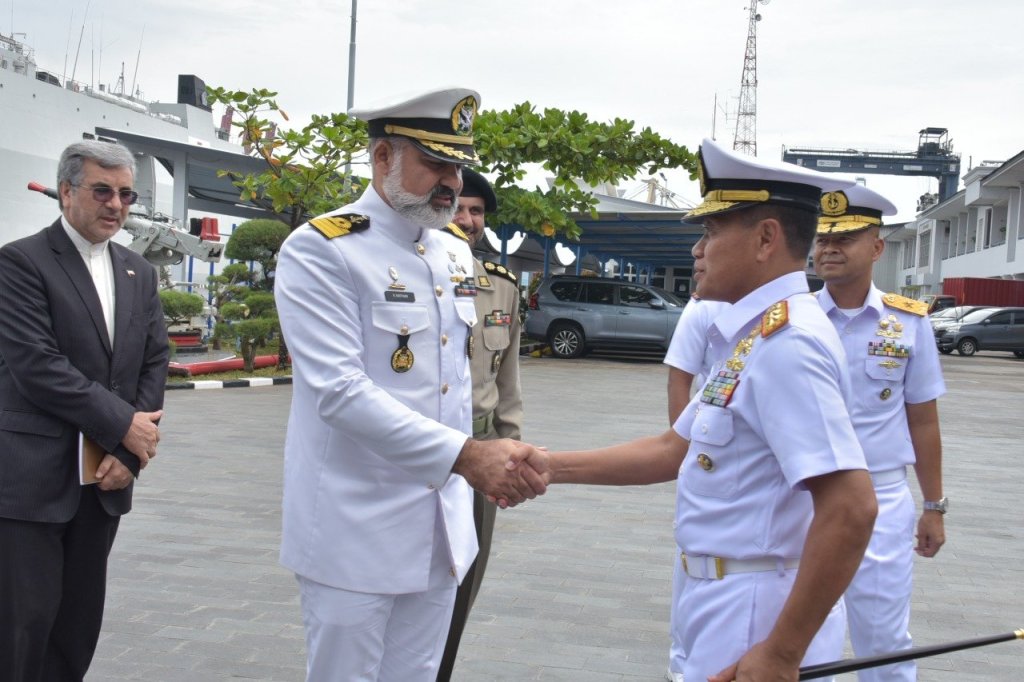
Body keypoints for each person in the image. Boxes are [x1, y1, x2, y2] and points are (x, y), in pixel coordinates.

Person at [512, 137, 878, 681]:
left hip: (754, 610)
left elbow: (851, 507)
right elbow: (673, 449)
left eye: (710, 232)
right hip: (718, 595)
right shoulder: (753, 336)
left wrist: (782, 652)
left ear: (766, 238)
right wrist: (549, 466)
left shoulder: (789, 345)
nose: (696, 251)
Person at [273, 87, 546, 682]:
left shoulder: (453, 254)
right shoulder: (322, 250)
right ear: (382, 158)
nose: (451, 182)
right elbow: (339, 392)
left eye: (458, 167)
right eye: (435, 164)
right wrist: (467, 456)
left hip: (439, 529)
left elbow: (454, 381)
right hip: (355, 529)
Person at [0, 140, 168, 681]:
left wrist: (128, 451)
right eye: (102, 191)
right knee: (22, 629)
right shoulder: (20, 262)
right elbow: (38, 366)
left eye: (126, 194)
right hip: (31, 481)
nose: (116, 205)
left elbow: (154, 361)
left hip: (103, 481)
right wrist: (124, 427)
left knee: (77, 628)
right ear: (66, 192)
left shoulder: (139, 271)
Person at [814, 184, 947, 681]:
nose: (829, 249)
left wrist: (933, 506)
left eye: (844, 238)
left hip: (882, 495)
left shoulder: (908, 322)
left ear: (876, 247)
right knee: (806, 641)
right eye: (823, 239)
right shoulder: (791, 319)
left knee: (884, 641)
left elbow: (923, 419)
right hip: (806, 496)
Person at [437, 169, 524, 680]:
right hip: (423, 452)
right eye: (458, 208)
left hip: (483, 446)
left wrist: (511, 449)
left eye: (476, 211)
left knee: (465, 576)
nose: (467, 220)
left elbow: (507, 376)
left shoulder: (501, 288)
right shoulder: (407, 277)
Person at [662, 294, 728, 682]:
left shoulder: (797, 323)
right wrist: (685, 451)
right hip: (708, 452)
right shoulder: (705, 308)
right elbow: (680, 377)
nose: (700, 263)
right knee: (692, 559)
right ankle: (681, 664)